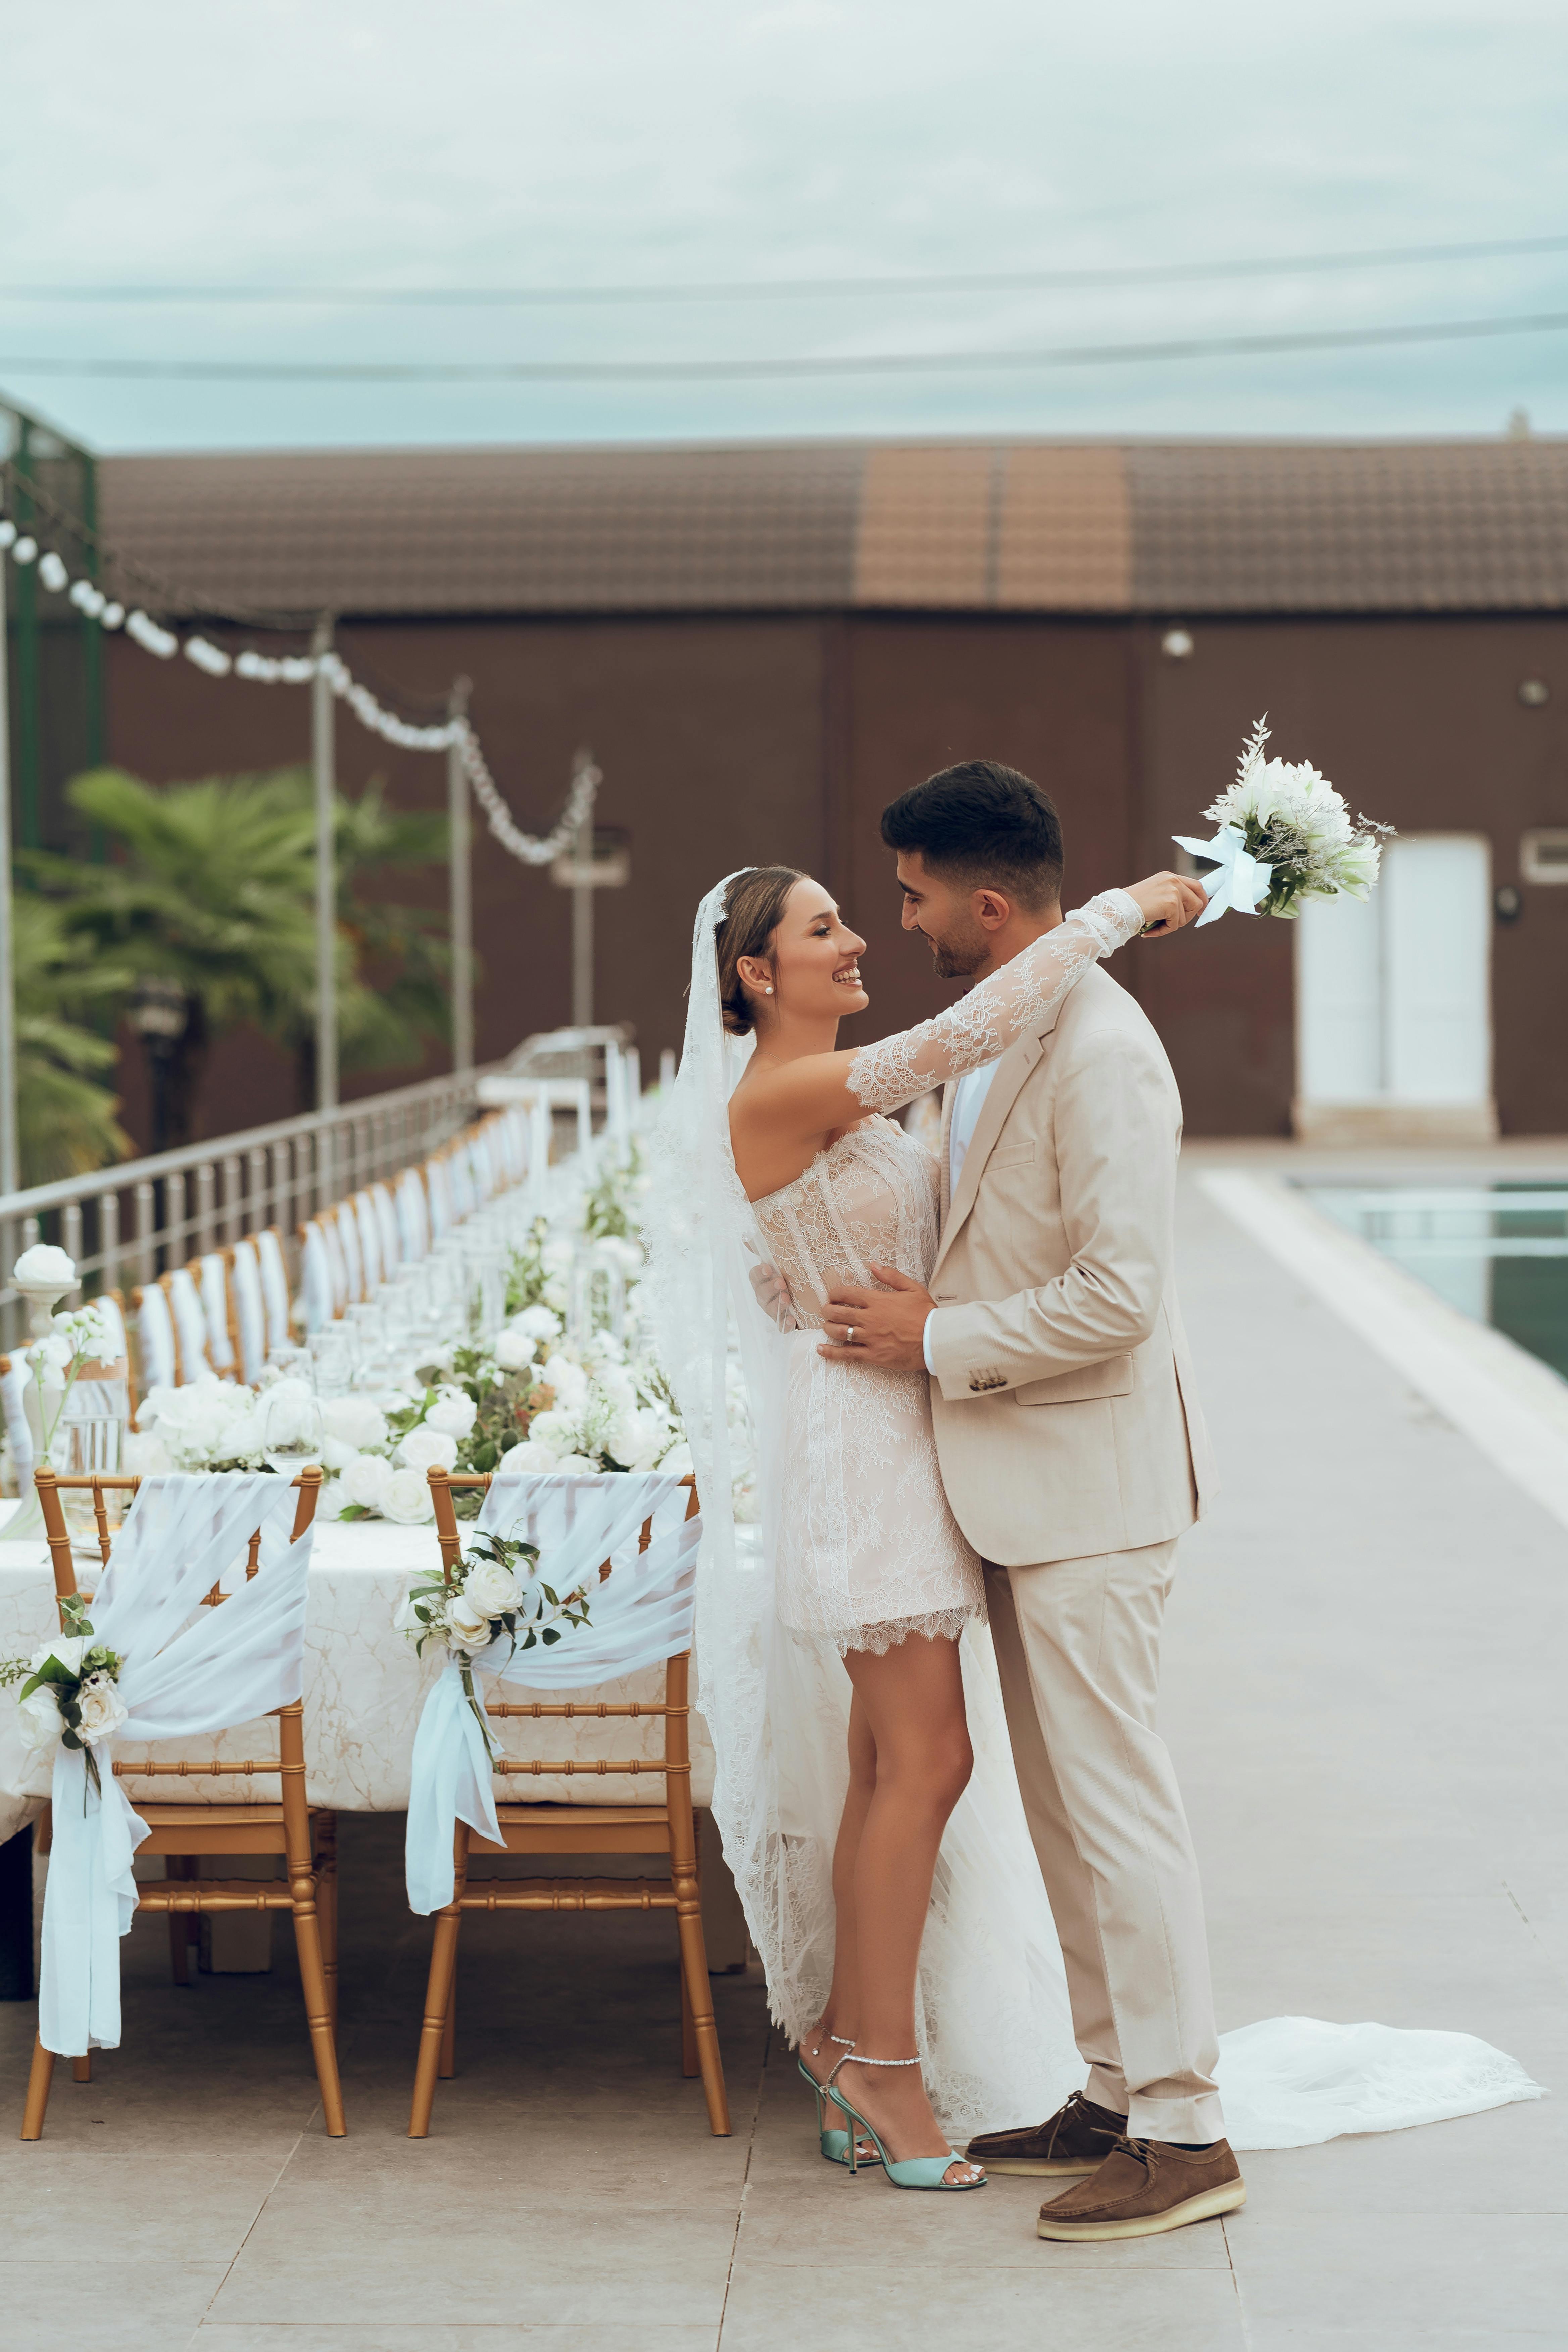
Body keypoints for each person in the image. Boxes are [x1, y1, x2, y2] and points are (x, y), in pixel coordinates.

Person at [642, 763, 1541, 2224]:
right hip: (973, 1474)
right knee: (1059, 1808)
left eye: (912, 894)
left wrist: (928, 1333)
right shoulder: (980, 1036)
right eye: (849, 915)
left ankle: (1183, 2137)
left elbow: (1120, 1297)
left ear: (983, 901)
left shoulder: (1099, 1043)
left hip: (1076, 1478)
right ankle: (1114, 2089)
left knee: (1112, 1805)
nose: (891, 919)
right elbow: (877, 1166)